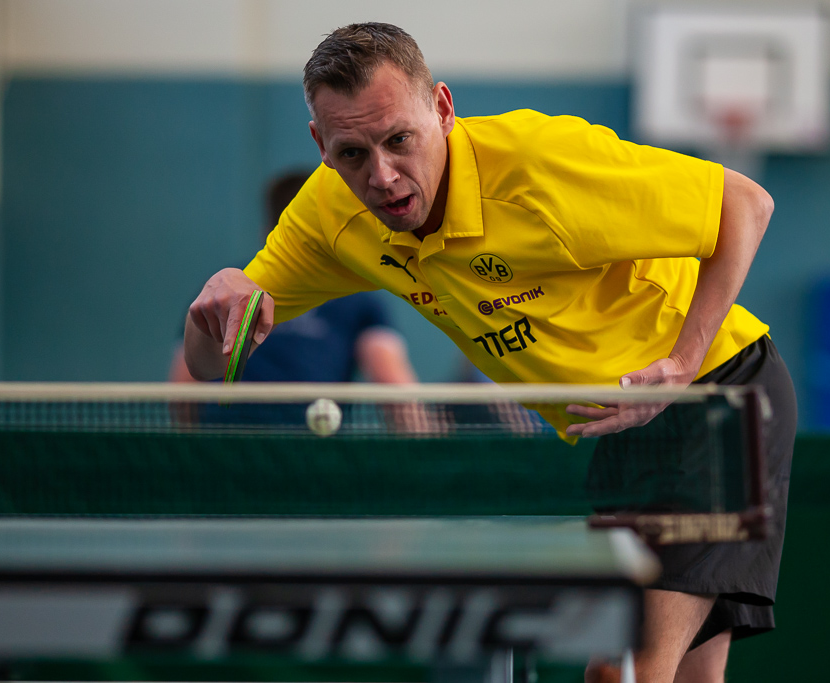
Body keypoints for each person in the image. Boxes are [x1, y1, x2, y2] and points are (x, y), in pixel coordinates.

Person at [184, 23, 795, 683]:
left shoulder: (540, 165)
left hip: (715, 397)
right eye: (353, 153)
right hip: (624, 428)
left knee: (624, 671)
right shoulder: (330, 216)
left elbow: (746, 204)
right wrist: (217, 300)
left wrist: (681, 364)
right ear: (320, 147)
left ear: (443, 108)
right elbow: (210, 365)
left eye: (399, 140)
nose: (382, 176)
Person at [171, 171, 417, 385]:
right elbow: (189, 377)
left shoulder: (359, 298)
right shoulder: (225, 288)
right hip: (231, 425)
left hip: (311, 424)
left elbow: (391, 381)